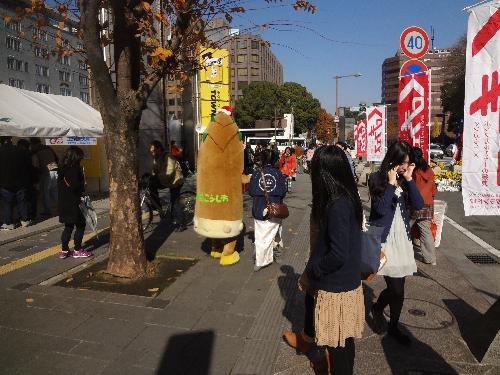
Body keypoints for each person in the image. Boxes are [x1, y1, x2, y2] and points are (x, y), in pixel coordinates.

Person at [299, 145, 365, 374]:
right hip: (347, 283)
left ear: (324, 172)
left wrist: (315, 269)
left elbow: (337, 253)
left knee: (337, 348)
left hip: (335, 286)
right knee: (344, 343)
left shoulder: (337, 204)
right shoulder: (348, 197)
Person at [369, 141, 424, 346]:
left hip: (402, 239)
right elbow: (381, 210)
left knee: (397, 286)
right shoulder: (377, 178)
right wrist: (391, 184)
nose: (404, 167)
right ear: (392, 160)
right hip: (385, 239)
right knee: (397, 288)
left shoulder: (405, 179)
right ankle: (389, 322)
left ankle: (383, 313)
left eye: (407, 163)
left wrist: (409, 179)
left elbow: (418, 205)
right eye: (403, 163)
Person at [248, 149, 287, 271]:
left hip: (259, 209)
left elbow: (251, 191)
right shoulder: (278, 174)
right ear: (275, 160)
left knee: (260, 237)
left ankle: (260, 261)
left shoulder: (256, 173)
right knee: (276, 233)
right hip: (275, 209)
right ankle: (275, 255)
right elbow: (283, 192)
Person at [58, 146, 92, 258]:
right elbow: (77, 187)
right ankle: (77, 250)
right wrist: (83, 185)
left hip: (64, 203)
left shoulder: (61, 168)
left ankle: (64, 250)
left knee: (68, 226)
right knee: (81, 225)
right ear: (77, 157)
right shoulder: (76, 169)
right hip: (75, 202)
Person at [149, 140, 186, 232]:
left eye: (153, 151)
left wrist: (157, 177)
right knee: (151, 185)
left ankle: (181, 223)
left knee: (174, 201)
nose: (152, 153)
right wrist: (151, 176)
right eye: (151, 151)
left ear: (159, 149)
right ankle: (158, 208)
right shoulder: (156, 158)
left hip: (176, 181)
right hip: (166, 180)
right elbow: (154, 170)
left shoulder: (168, 157)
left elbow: (169, 172)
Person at [411, 147, 437, 265]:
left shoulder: (414, 171)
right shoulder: (429, 170)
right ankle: (430, 258)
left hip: (415, 203)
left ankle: (400, 254)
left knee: (404, 227)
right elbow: (433, 190)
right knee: (425, 231)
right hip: (428, 203)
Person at [0, 137, 32, 229]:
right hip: (20, 181)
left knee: (7, 203)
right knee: (22, 201)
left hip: (5, 182)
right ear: (11, 140)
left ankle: (8, 223)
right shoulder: (20, 151)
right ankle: (25, 221)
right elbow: (28, 166)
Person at [30, 138, 59, 217]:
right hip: (55, 170)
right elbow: (56, 158)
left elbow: (35, 165)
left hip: (46, 173)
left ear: (33, 143)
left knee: (46, 193)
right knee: (55, 192)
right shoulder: (48, 148)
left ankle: (48, 211)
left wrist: (38, 173)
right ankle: (60, 208)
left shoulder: (35, 151)